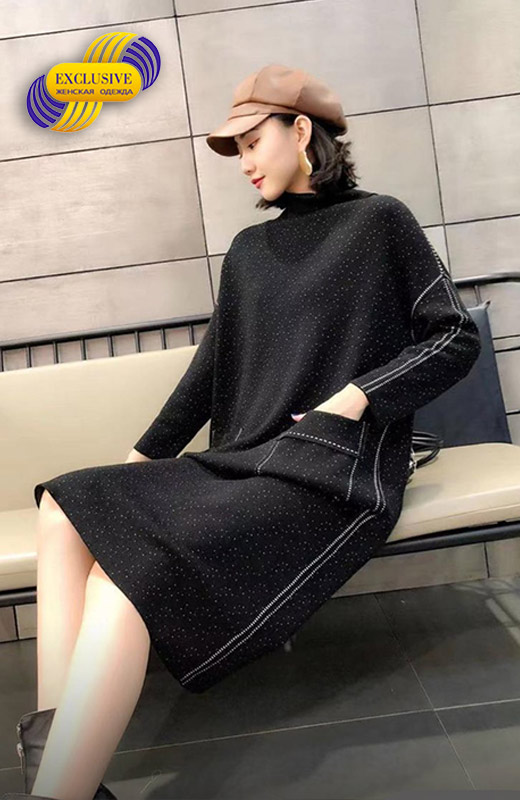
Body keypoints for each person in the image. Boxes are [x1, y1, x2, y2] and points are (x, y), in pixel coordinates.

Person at [7, 64, 481, 800]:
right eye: (237, 150)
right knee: (64, 505)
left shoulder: (380, 222)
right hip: (244, 460)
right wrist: (138, 461)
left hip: (328, 470)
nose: (244, 163)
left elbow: (453, 336)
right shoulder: (249, 252)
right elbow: (207, 375)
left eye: (253, 142)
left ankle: (59, 784)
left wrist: (355, 398)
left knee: (121, 581)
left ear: (301, 130)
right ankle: (61, 777)